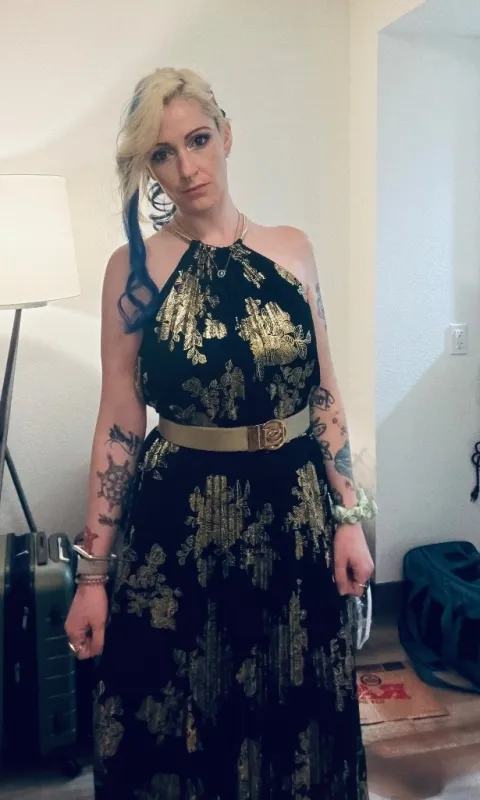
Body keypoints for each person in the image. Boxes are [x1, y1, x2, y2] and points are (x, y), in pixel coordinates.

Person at [65, 66, 375, 800]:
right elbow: (119, 417)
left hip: (293, 518)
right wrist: (92, 574)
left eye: (198, 140)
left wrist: (350, 516)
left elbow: (324, 390)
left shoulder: (293, 250)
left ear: (227, 136)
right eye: (163, 153)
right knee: (180, 719)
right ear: (149, 168)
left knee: (292, 715)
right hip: (177, 528)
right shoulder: (132, 270)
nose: (187, 167)